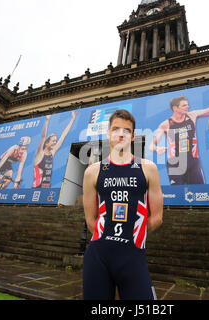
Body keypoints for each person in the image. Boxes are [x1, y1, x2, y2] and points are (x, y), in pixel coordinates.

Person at [82, 109, 163, 300]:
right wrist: (108, 239)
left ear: (133, 136)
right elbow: (90, 220)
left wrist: (133, 237)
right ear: (108, 133)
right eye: (116, 129)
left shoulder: (148, 168)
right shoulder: (92, 172)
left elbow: (157, 217)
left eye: (126, 130)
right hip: (98, 257)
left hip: (133, 256)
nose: (121, 134)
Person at [149, 87, 209, 185]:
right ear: (175, 108)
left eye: (187, 104)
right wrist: (157, 149)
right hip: (175, 164)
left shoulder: (192, 115)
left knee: (201, 193)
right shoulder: (165, 124)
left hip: (193, 163)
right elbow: (151, 145)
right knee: (178, 194)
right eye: (184, 105)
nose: (188, 107)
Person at [33, 112, 77, 188]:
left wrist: (72, 119)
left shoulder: (52, 153)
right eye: (53, 141)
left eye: (55, 141)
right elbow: (43, 137)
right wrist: (47, 121)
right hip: (36, 188)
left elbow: (64, 135)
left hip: (47, 187)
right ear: (46, 143)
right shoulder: (40, 154)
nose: (55, 142)